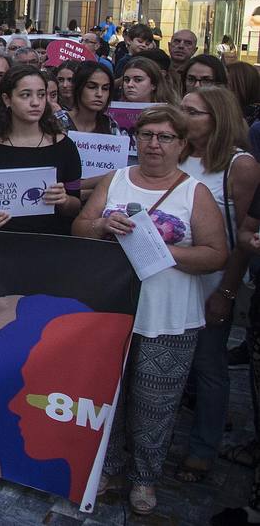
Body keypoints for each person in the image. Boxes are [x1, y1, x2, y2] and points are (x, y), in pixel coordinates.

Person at [74, 106, 226, 515]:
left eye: (164, 137)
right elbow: (81, 227)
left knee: (154, 405)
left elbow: (216, 255)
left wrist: (163, 250)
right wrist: (103, 227)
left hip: (168, 317)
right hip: (113, 312)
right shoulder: (117, 178)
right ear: (135, 139)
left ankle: (144, 479)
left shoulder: (194, 192)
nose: (154, 144)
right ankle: (109, 466)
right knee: (110, 397)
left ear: (181, 144)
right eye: (146, 135)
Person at [175, 87, 259, 484]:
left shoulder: (239, 166)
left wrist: (226, 292)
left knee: (209, 365)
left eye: (192, 112)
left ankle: (203, 448)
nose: (183, 116)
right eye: (182, 109)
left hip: (213, 281)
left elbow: (245, 235)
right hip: (169, 276)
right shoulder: (174, 151)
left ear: (217, 119)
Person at [0, 65, 83, 235]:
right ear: (7, 99)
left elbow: (75, 204)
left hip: (50, 244)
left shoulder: (64, 147)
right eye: (26, 95)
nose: (35, 102)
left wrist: (64, 200)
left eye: (41, 95)